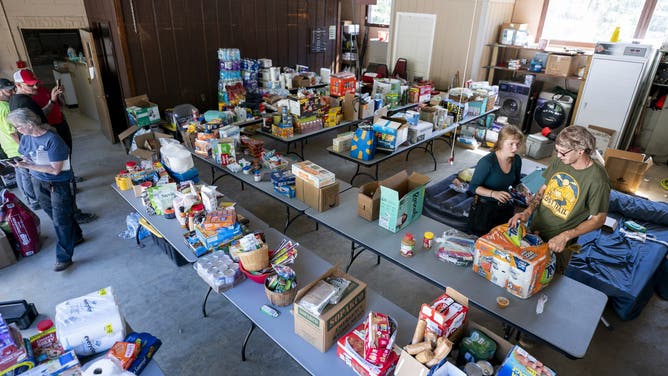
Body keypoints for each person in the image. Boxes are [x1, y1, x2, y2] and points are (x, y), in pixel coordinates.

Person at [508, 125, 610, 273]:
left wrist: (565, 236)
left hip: (559, 243)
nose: (558, 155)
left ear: (580, 151)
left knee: (547, 280)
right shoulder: (560, 160)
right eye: (557, 151)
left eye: (563, 152)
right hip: (534, 230)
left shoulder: (598, 179)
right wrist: (528, 212)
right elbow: (544, 188)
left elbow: (599, 218)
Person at [10, 69, 96, 223]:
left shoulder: (23, 99)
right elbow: (33, 128)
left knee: (59, 179)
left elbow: (39, 117)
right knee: (62, 179)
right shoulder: (22, 103)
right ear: (18, 85)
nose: (35, 87)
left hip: (44, 146)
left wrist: (52, 100)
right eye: (30, 85)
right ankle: (74, 216)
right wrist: (53, 138)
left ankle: (70, 218)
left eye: (35, 83)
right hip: (45, 147)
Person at [6, 108, 83, 272]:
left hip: (59, 183)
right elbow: (26, 155)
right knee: (57, 216)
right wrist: (22, 161)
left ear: (29, 124)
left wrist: (28, 165)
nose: (16, 130)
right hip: (38, 181)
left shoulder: (53, 140)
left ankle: (63, 257)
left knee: (60, 221)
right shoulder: (26, 137)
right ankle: (76, 236)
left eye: (18, 126)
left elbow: (56, 170)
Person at [468, 124, 524, 236]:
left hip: (506, 208)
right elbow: (473, 187)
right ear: (501, 143)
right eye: (511, 144)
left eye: (517, 144)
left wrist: (525, 191)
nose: (515, 148)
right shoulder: (487, 162)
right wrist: (493, 193)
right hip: (484, 210)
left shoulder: (516, 160)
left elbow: (516, 183)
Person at [0, 78, 40, 208]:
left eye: (12, 88)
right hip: (15, 146)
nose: (11, 91)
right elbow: (12, 132)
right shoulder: (6, 107)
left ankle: (27, 198)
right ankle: (33, 200)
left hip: (7, 147)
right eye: (7, 90)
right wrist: (25, 148)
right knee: (26, 174)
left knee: (19, 172)